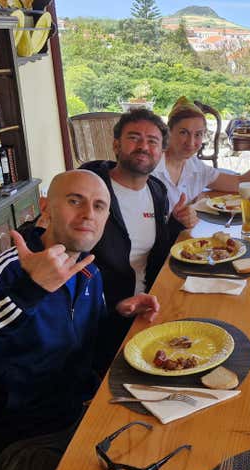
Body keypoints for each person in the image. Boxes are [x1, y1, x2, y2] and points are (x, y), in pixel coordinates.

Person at [0, 171, 158, 470]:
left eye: (99, 206)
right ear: (46, 208)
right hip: (13, 445)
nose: (88, 214)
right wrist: (31, 290)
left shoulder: (88, 270)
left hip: (77, 419)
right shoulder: (9, 270)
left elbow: (86, 339)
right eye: (75, 201)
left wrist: (120, 313)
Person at [80, 108, 191, 372]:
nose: (143, 146)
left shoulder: (156, 190)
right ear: (116, 145)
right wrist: (115, 306)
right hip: (103, 320)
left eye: (152, 141)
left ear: (161, 152)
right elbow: (70, 260)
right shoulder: (90, 191)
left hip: (149, 306)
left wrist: (176, 223)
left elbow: (155, 252)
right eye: (134, 138)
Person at [151, 96, 250, 211]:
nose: (191, 142)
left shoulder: (195, 168)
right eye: (183, 132)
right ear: (169, 132)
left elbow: (240, 182)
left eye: (198, 134)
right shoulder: (151, 168)